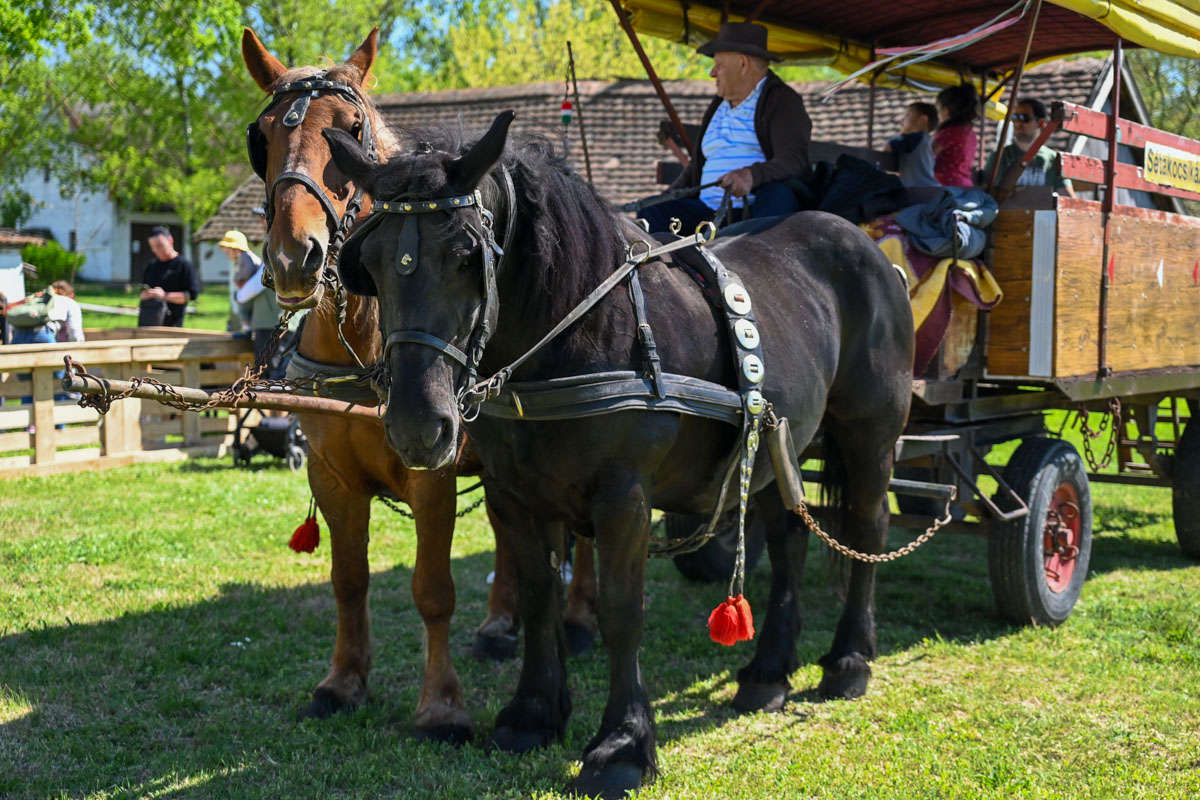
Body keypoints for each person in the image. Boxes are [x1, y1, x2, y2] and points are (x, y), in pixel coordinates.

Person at [639, 22, 812, 233]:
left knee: (778, 194)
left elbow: (794, 159)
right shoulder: (718, 106)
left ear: (742, 64)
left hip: (753, 210)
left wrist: (750, 175)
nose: (712, 73)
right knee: (652, 211)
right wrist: (665, 196)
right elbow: (696, 168)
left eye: (719, 64)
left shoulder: (782, 100)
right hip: (707, 212)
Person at [983, 98, 1076, 196]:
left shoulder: (1053, 160)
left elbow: (1069, 198)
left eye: (1024, 118)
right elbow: (986, 195)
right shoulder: (999, 156)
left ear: (1041, 123)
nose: (1018, 123)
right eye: (1014, 117)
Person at [229, 234, 283, 368]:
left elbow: (251, 289)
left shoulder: (272, 258)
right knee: (271, 362)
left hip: (269, 320)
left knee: (268, 364)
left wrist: (239, 295)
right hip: (271, 319)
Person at [139, 226, 199, 327]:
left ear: (170, 241)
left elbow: (190, 295)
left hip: (172, 324)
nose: (156, 250)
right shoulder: (151, 266)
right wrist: (144, 295)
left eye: (160, 245)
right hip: (149, 322)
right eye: (152, 247)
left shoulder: (183, 265)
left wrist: (164, 295)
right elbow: (143, 290)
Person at [933, 84, 979, 187]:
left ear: (946, 110)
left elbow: (927, 153)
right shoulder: (970, 132)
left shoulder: (949, 132)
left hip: (946, 185)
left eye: (939, 109)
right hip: (965, 184)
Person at [887, 102, 941, 188]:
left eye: (908, 115)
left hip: (917, 189)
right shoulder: (927, 139)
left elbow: (889, 146)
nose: (902, 119)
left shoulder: (913, 138)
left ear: (923, 119)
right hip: (931, 187)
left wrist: (903, 132)